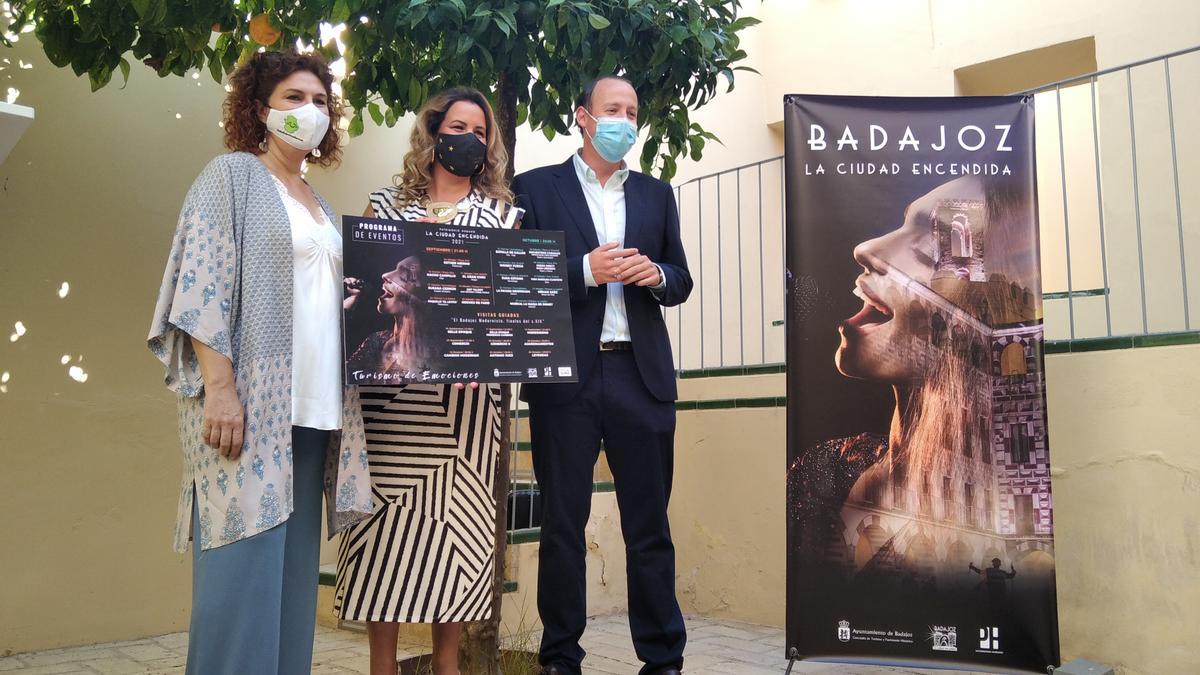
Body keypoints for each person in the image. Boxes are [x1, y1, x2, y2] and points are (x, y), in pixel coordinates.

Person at [147, 50, 373, 675]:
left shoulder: (318, 204)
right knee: (239, 590)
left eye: (322, 102)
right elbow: (201, 287)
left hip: (312, 413)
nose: (311, 112)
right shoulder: (232, 178)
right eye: (295, 98)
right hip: (248, 409)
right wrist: (220, 390)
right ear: (259, 109)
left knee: (290, 595)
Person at [335, 86, 522, 675]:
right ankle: (381, 668)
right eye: (457, 126)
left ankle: (448, 667)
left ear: (487, 146)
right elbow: (357, 283)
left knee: (456, 546)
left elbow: (510, 309)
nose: (467, 139)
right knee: (382, 544)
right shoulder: (384, 207)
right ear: (434, 132)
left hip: (463, 415)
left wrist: (489, 358)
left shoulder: (502, 217)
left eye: (479, 132)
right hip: (389, 412)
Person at [512, 75, 693, 675]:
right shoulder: (536, 189)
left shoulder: (655, 194)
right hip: (566, 382)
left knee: (650, 527)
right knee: (563, 526)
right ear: (583, 117)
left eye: (633, 111)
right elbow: (520, 279)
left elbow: (680, 279)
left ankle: (663, 658)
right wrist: (584, 271)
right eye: (613, 109)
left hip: (641, 378)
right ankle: (560, 658)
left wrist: (656, 276)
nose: (625, 120)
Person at [787, 175, 1034, 574]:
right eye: (903, 225)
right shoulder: (820, 473)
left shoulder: (1008, 525)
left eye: (927, 247)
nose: (866, 249)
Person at [345, 254, 439, 378]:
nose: (385, 275)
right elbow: (342, 375)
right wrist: (351, 299)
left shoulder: (438, 353)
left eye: (405, 276)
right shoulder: (377, 340)